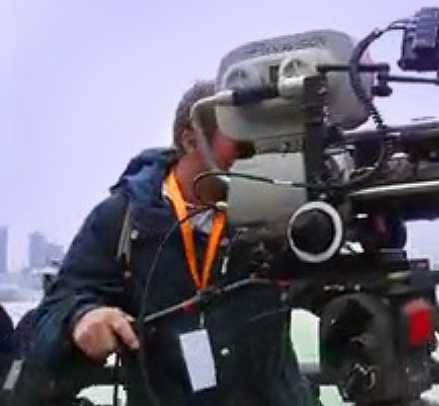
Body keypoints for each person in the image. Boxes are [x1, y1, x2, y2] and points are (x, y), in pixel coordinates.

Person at [22, 80, 323, 405]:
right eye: (243, 141)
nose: (257, 152)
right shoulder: (124, 219)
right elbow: (52, 313)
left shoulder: (282, 214)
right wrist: (83, 316)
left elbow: (329, 288)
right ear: (191, 140)